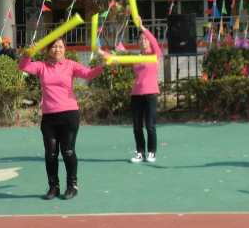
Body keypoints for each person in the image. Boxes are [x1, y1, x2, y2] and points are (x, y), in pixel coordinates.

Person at [18, 38, 104, 200]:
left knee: (68, 151)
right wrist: (27, 54)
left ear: (65, 49)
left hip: (69, 114)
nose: (57, 50)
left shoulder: (71, 65)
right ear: (48, 49)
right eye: (54, 47)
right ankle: (53, 187)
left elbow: (88, 74)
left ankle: (72, 186)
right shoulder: (41, 66)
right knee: (50, 154)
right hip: (49, 117)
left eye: (60, 47)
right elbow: (23, 67)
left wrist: (102, 66)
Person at [103, 21, 162, 163]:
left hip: (151, 95)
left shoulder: (155, 54)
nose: (143, 41)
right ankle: (140, 152)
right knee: (137, 127)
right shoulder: (136, 57)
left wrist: (142, 28)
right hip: (136, 94)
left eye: (145, 39)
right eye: (141, 39)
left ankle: (152, 152)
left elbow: (154, 42)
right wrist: (101, 52)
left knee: (150, 126)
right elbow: (118, 60)